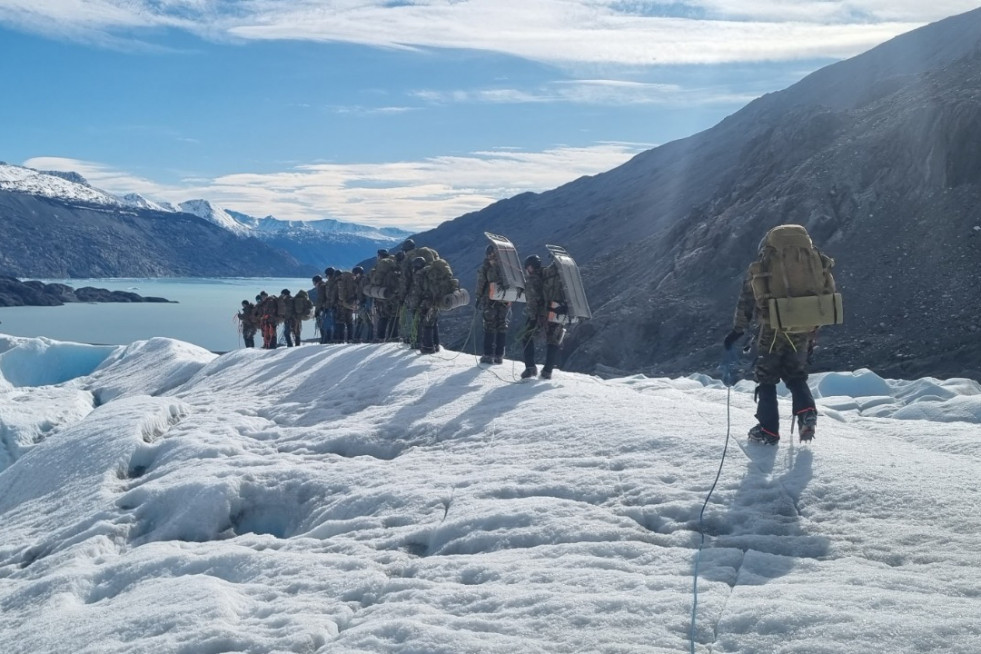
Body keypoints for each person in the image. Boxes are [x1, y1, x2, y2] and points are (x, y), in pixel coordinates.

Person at [724, 224, 838, 444]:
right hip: (805, 327)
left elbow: (746, 300)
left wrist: (737, 330)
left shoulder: (763, 264)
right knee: (796, 374)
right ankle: (807, 413)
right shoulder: (815, 259)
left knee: (766, 378)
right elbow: (827, 292)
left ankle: (768, 430)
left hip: (772, 329)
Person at [520, 254, 566, 379]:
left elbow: (532, 301)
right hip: (556, 310)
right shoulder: (549, 274)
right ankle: (547, 371)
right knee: (553, 341)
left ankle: (530, 368)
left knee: (526, 338)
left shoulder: (532, 280)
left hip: (540, 315)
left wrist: (532, 318)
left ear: (530, 267)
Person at [475, 243, 509, 364]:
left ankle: (488, 355)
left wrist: (478, 297)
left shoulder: (487, 266)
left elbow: (481, 282)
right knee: (501, 325)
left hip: (490, 300)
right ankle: (499, 355)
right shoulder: (506, 266)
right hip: (504, 301)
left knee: (489, 326)